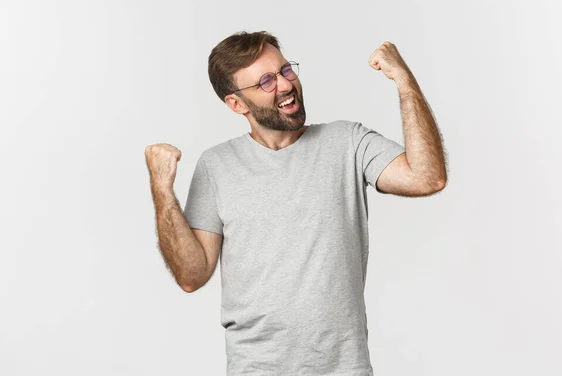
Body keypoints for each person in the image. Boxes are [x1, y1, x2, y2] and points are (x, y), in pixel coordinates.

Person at [144, 31, 447, 375]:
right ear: (237, 104)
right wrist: (162, 189)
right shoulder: (217, 166)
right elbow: (192, 275)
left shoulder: (347, 141)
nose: (285, 85)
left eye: (286, 71)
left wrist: (404, 80)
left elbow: (427, 177)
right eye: (266, 82)